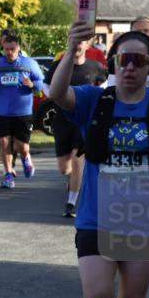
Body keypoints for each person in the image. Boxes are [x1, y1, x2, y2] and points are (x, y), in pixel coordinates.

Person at [49, 17, 149, 298]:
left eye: (139, 60)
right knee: (97, 295)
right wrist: (72, 46)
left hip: (145, 220)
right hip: (97, 216)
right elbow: (56, 92)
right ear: (114, 64)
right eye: (124, 60)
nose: (130, 67)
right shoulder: (94, 101)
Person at [43, 39, 107, 218]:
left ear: (88, 46)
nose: (78, 45)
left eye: (82, 42)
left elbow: (105, 86)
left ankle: (71, 203)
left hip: (85, 122)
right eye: (74, 42)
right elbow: (46, 86)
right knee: (65, 168)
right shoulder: (59, 65)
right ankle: (72, 182)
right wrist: (56, 97)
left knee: (78, 161)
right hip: (63, 121)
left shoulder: (95, 67)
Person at [0, 33, 45, 188]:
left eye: (12, 49)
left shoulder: (29, 63)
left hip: (23, 112)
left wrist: (32, 85)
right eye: (6, 49)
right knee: (4, 142)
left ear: (18, 48)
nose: (9, 52)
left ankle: (26, 159)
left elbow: (41, 82)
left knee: (22, 146)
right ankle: (8, 175)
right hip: (3, 111)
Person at [107, 16, 149, 95]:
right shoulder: (121, 54)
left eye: (146, 30)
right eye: (138, 31)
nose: (142, 34)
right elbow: (113, 84)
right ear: (131, 33)